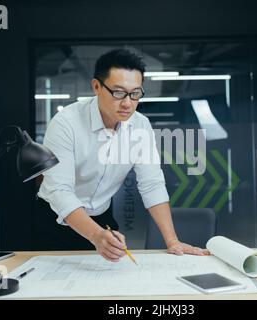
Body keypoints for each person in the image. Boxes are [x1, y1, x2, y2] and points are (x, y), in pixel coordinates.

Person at [37, 48, 209, 262]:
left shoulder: (140, 125)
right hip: (55, 218)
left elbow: (152, 184)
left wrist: (173, 241)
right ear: (97, 86)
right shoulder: (65, 123)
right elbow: (60, 190)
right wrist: (95, 235)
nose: (128, 103)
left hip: (102, 217)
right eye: (118, 93)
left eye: (135, 93)